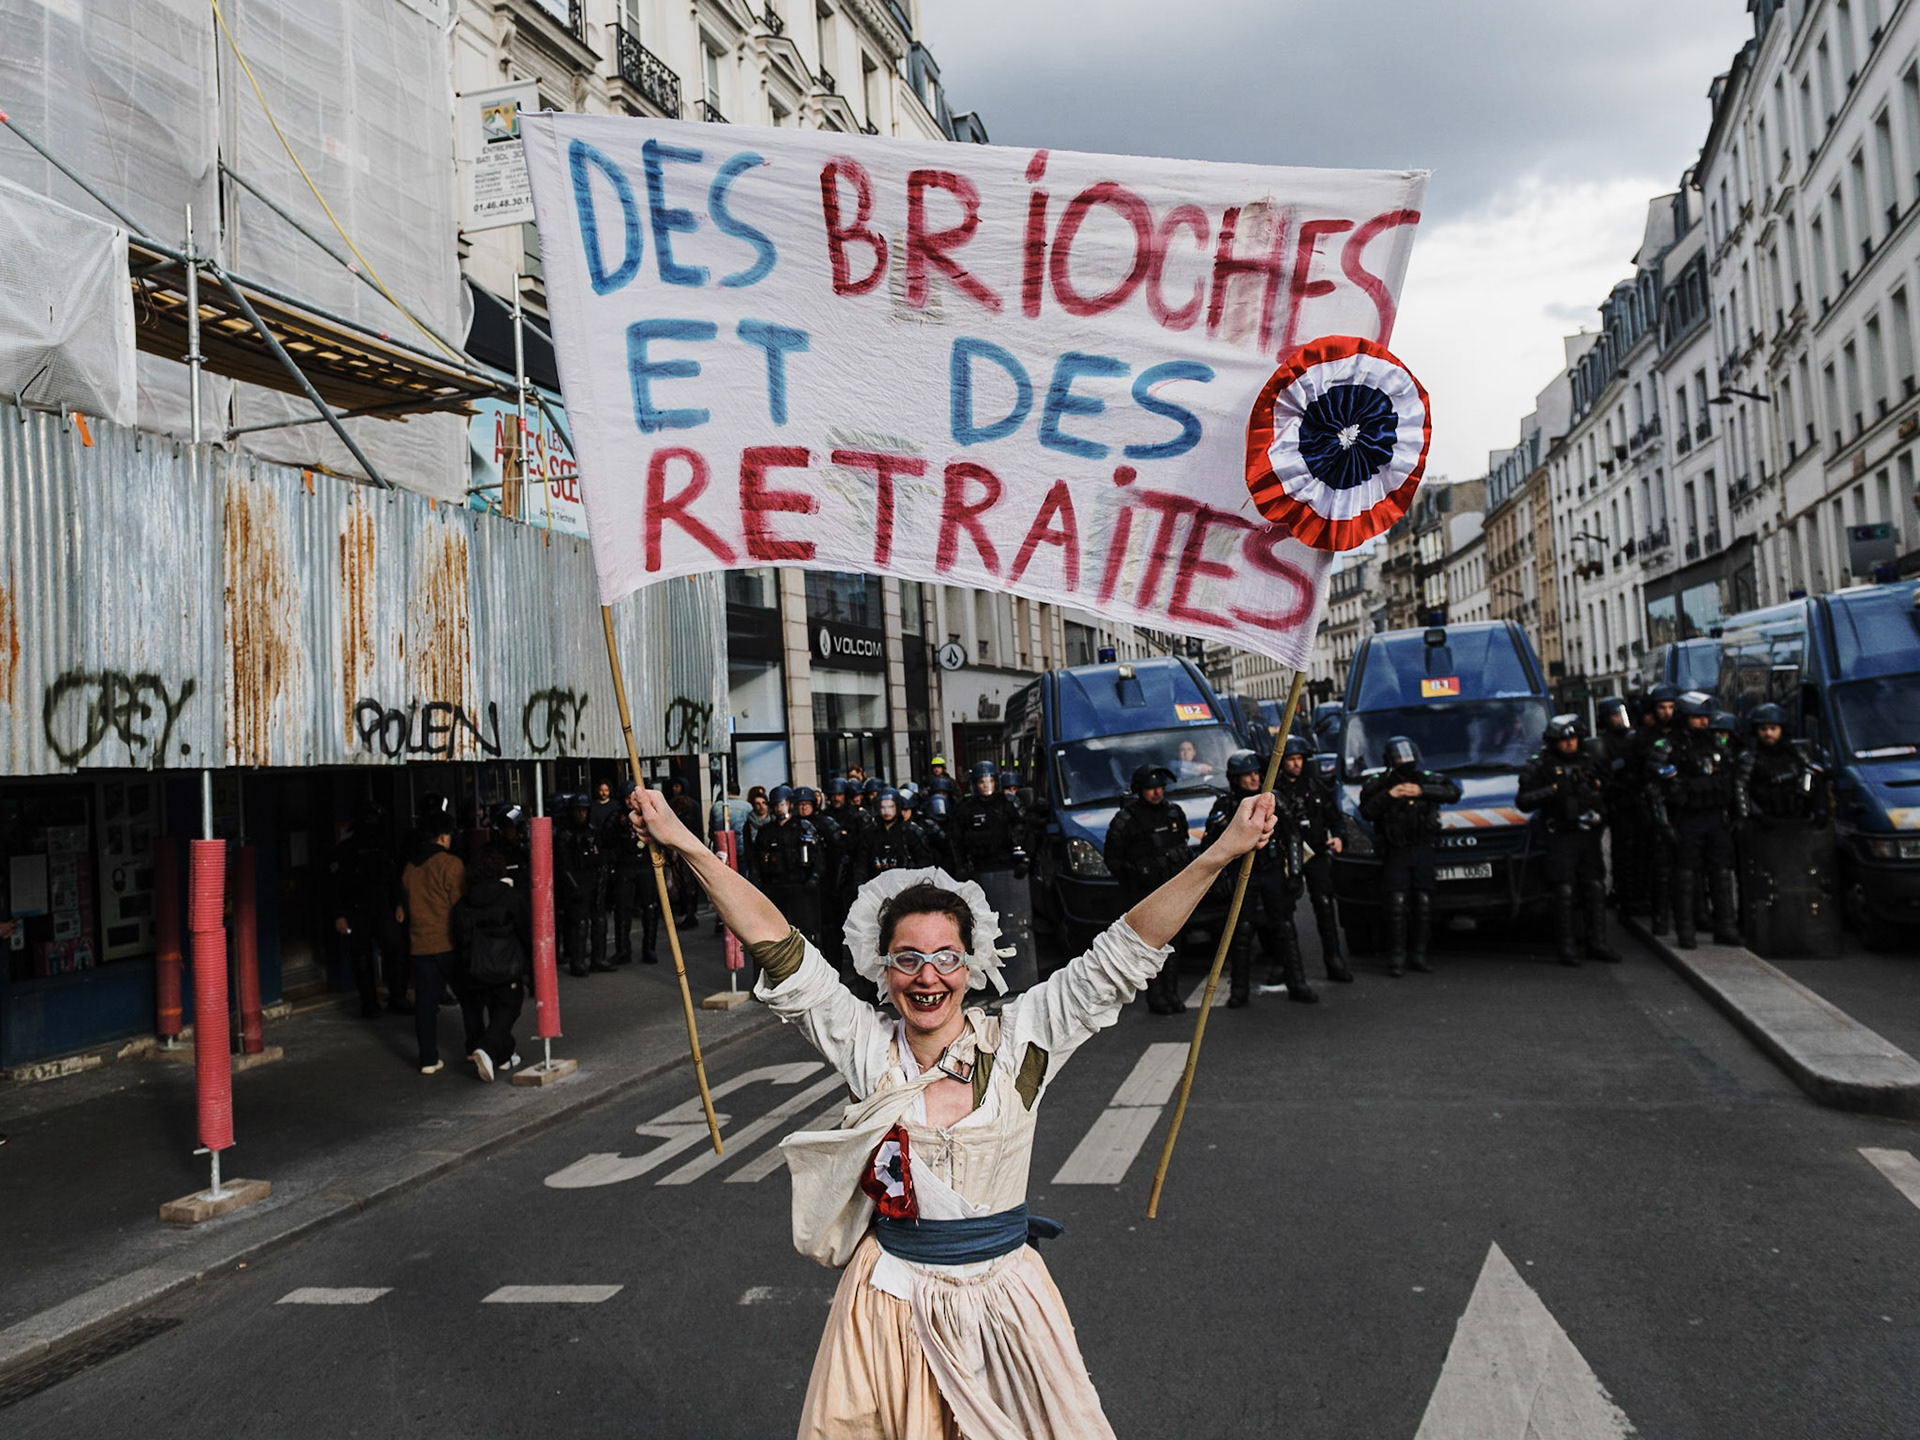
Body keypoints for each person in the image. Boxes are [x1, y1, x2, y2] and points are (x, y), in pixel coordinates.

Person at [625, 778, 1277, 1440]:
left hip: (1006, 1301)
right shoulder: (864, 1046)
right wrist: (682, 840)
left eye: (945, 957)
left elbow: (1125, 951)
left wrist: (1221, 851)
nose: (927, 976)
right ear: (884, 970)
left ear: (972, 964)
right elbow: (776, 943)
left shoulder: (1024, 1038)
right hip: (888, 1306)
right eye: (907, 959)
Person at [1202, 749, 1315, 1006]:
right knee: (1241, 931)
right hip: (1244, 875)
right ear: (1235, 778)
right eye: (1247, 775)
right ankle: (1239, 991)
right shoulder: (1227, 806)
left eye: (1256, 774)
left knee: (1284, 927)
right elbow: (1211, 844)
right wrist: (1220, 879)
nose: (1253, 779)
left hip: (1273, 871)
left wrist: (1295, 872)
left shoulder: (1272, 800)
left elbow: (1293, 835)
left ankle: (1297, 983)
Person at [1515, 716, 1619, 966]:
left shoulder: (1588, 760)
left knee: (1594, 887)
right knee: (1564, 891)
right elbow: (1523, 801)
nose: (1570, 744)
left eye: (1573, 739)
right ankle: (1567, 946)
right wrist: (1552, 790)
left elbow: (1610, 788)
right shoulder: (1541, 765)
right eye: (1564, 740)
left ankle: (1598, 943)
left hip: (1587, 834)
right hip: (1559, 836)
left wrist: (1599, 798)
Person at [1735, 703, 1837, 955]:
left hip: (1797, 827)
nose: (1768, 734)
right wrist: (1755, 815)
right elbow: (1741, 790)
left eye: (1773, 728)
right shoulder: (1750, 757)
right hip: (1766, 829)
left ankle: (1801, 929)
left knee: (1801, 880)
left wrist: (1819, 809)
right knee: (1767, 883)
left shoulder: (1795, 753)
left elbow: (1812, 779)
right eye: (1763, 729)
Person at [1358, 737, 1462, 977]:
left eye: (1408, 757)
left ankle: (1419, 954)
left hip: (1422, 847)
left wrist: (1421, 791)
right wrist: (1391, 794)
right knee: (1396, 904)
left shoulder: (1424, 779)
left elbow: (1452, 792)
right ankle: (1396, 957)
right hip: (1396, 850)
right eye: (1400, 758)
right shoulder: (1380, 783)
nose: (1406, 762)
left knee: (1424, 902)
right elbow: (1367, 810)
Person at [1648, 693, 1741, 949]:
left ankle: (1726, 927)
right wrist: (1664, 823)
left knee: (1721, 874)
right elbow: (1655, 789)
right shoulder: (1668, 747)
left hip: (1715, 817)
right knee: (1686, 877)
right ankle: (1685, 931)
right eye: (1697, 717)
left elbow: (1732, 781)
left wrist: (1736, 815)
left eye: (1704, 717)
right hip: (1686, 819)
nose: (1703, 722)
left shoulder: (1717, 745)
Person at [1102, 764, 1192, 1014]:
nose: (1157, 793)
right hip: (1145, 893)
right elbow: (1113, 860)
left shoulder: (1173, 813)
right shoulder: (1126, 820)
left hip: (1173, 889)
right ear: (1140, 790)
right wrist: (1136, 876)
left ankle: (1172, 992)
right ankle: (1156, 995)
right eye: (1151, 789)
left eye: (1160, 787)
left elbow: (1184, 845)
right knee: (1151, 945)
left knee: (1175, 943)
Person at [1274, 735, 1353, 984]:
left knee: (1325, 906)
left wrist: (1339, 836)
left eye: (1299, 759)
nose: (1295, 764)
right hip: (1288, 857)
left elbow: (1334, 816)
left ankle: (1333, 959)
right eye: (1290, 759)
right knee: (1282, 911)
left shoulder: (1315, 786)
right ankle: (1282, 964)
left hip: (1316, 852)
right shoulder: (1274, 791)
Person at [397, 810, 468, 1075]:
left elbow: (406, 901)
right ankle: (475, 1047)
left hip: (420, 944)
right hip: (448, 943)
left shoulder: (410, 868)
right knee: (468, 998)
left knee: (425, 1006)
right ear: (443, 836)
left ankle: (428, 1058)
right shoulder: (451, 865)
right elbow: (459, 905)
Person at [449, 848, 528, 1081]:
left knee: (482, 1008)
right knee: (507, 1008)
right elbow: (526, 930)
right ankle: (487, 1048)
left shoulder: (464, 903)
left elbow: (458, 935)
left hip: (474, 967)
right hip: (506, 966)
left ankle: (504, 1055)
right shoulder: (510, 897)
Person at [328, 803, 405, 1018]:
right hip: (357, 910)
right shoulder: (346, 850)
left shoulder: (384, 847)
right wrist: (340, 914)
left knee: (395, 950)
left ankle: (397, 997)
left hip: (382, 908)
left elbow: (394, 879)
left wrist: (399, 904)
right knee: (361, 958)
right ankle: (369, 1003)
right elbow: (336, 886)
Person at [750, 785, 828, 945]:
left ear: (791, 805)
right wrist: (757, 882)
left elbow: (818, 856)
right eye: (777, 805)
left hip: (801, 887)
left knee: (805, 935)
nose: (780, 809)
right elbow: (757, 859)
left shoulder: (803, 827)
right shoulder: (766, 831)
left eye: (783, 804)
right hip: (775, 888)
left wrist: (814, 878)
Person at [1591, 696, 1645, 914]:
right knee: (1622, 850)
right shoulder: (1603, 743)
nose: (1618, 719)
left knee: (1640, 849)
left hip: (1636, 799)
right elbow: (1602, 772)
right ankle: (1624, 893)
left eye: (1620, 714)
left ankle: (1638, 893)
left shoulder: (1633, 738)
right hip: (1618, 801)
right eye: (1614, 715)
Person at [1637, 684, 1683, 935]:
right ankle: (1660, 916)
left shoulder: (1681, 735)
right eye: (1662, 708)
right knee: (1661, 868)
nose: (1667, 712)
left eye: (1671, 707)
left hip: (1680, 805)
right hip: (1654, 806)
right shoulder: (1644, 737)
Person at [556, 793, 613, 976]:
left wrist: (601, 882)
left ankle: (598, 958)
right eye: (578, 811)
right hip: (577, 882)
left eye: (584, 810)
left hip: (593, 880)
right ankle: (577, 960)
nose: (581, 814)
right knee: (579, 924)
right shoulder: (566, 834)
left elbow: (601, 857)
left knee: (600, 921)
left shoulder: (592, 831)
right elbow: (563, 865)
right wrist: (573, 887)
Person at [601, 782, 654, 965]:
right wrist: (619, 827)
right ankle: (623, 950)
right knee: (623, 910)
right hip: (625, 866)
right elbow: (606, 840)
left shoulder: (648, 815)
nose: (630, 802)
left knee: (650, 908)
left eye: (633, 798)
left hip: (646, 864)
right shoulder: (616, 817)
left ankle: (649, 948)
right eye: (627, 799)